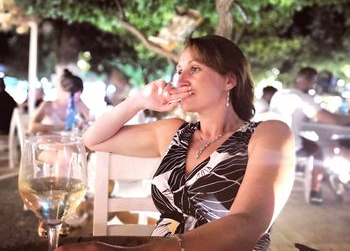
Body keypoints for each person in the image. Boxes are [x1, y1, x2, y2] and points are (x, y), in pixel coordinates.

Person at [57, 35, 295, 251]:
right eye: (179, 70)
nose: (180, 79)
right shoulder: (174, 133)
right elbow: (93, 140)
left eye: (194, 69)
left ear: (229, 80)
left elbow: (248, 224)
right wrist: (139, 100)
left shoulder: (269, 134)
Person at [270, 67, 350, 204]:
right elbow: (329, 120)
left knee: (325, 143)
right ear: (306, 80)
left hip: (271, 141)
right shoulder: (302, 98)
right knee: (319, 150)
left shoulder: (278, 95)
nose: (312, 85)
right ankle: (315, 190)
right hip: (290, 144)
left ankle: (329, 180)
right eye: (312, 81)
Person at [28, 69, 90, 134]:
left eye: (80, 92)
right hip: (50, 142)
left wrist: (84, 124)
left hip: (71, 142)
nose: (78, 96)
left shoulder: (79, 103)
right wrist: (63, 126)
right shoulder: (48, 105)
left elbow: (91, 123)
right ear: (63, 90)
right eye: (73, 93)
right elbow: (32, 128)